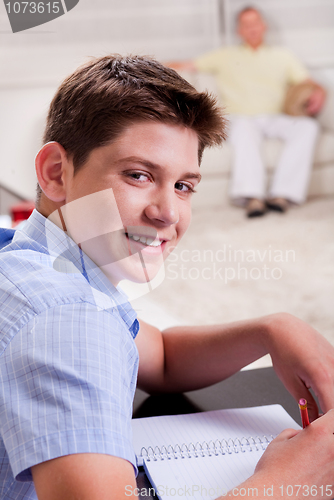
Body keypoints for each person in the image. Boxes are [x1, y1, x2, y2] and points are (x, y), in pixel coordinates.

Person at [0, 54, 334, 500]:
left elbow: (155, 356)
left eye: (183, 186)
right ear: (56, 173)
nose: (168, 214)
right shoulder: (67, 320)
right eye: (138, 175)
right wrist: (288, 483)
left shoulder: (33, 257)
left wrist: (272, 329)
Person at [173, 6, 326, 217]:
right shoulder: (224, 55)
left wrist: (320, 92)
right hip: (239, 118)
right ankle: (252, 197)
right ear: (239, 31)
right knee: (244, 128)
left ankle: (283, 194)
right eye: (246, 24)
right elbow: (183, 64)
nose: (251, 28)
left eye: (255, 23)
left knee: (308, 126)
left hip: (274, 118)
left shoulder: (283, 56)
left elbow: (309, 83)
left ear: (263, 26)